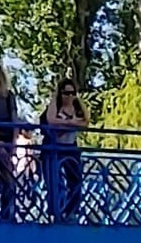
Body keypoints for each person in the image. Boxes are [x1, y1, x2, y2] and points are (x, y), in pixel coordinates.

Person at [42, 78, 88, 221]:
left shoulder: (79, 106)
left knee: (75, 180)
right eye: (66, 93)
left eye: (72, 93)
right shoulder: (55, 104)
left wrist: (67, 124)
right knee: (54, 181)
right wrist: (70, 123)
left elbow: (86, 121)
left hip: (71, 146)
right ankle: (55, 212)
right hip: (54, 147)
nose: (69, 96)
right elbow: (51, 120)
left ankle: (71, 212)